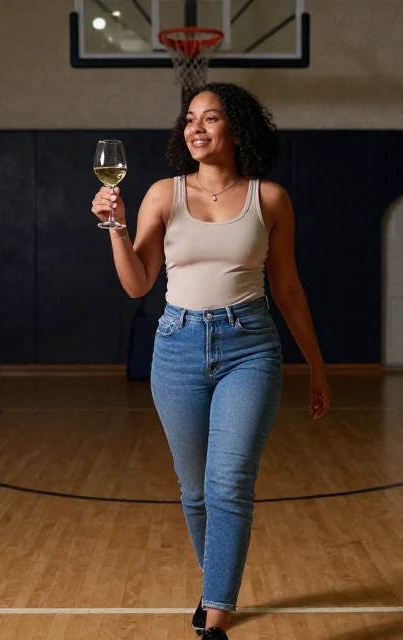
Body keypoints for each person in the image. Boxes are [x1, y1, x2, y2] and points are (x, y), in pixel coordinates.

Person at [90, 82, 330, 639]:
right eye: (190, 119)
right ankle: (215, 584)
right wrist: (114, 226)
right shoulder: (160, 194)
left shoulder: (269, 199)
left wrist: (316, 364)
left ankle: (216, 617)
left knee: (228, 484)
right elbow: (136, 284)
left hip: (249, 346)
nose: (196, 127)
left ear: (237, 130)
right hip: (175, 346)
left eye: (212, 118)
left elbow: (289, 289)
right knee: (194, 490)